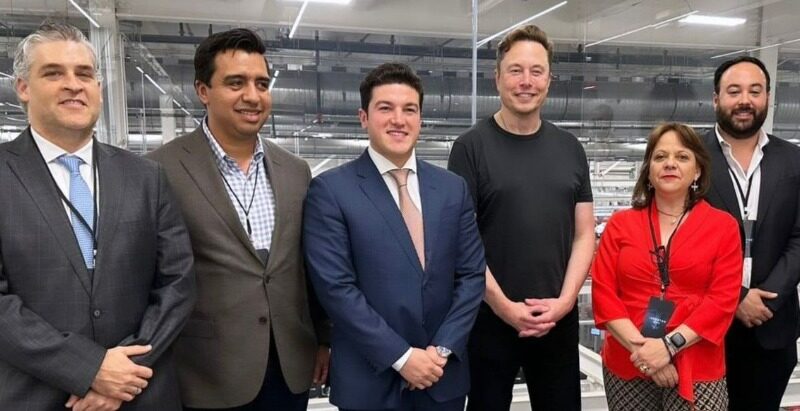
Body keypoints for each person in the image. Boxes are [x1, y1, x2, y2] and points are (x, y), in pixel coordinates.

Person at [0, 22, 195, 411]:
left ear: (99, 89)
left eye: (84, 74)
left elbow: (177, 282)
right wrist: (89, 369)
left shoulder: (146, 177)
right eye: (54, 73)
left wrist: (124, 373)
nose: (73, 85)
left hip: (140, 392)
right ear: (23, 87)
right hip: (37, 394)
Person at [147, 28, 329, 411]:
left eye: (261, 83)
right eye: (236, 83)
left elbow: (306, 268)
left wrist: (323, 339)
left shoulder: (296, 171)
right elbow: (148, 276)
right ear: (203, 91)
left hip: (289, 368)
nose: (253, 96)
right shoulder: (160, 169)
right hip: (207, 373)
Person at [303, 62, 485, 411]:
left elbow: (471, 275)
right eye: (385, 108)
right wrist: (402, 357)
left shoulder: (452, 189)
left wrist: (441, 350)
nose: (398, 120)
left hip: (441, 378)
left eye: (409, 109)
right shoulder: (331, 190)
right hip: (370, 382)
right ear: (363, 117)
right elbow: (336, 288)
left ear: (420, 119)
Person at [447, 24, 595, 410]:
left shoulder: (570, 148)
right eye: (515, 70)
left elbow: (584, 234)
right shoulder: (469, 148)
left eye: (536, 71)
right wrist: (504, 307)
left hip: (556, 319)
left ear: (549, 80)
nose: (526, 81)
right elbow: (462, 241)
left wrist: (565, 302)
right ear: (497, 78)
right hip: (490, 318)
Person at [592, 123, 742, 410]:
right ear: (649, 170)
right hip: (628, 359)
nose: (670, 163)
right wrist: (646, 353)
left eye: (682, 157)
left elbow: (722, 300)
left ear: (697, 171)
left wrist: (668, 346)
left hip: (697, 360)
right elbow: (604, 293)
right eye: (660, 157)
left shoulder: (723, 227)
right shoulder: (620, 224)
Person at [701, 56, 800, 411]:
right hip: (703, 329)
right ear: (716, 99)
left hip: (772, 327)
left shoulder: (794, 160)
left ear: (768, 97)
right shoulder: (690, 158)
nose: (745, 100)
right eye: (734, 91)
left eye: (754, 91)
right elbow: (679, 239)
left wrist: (768, 298)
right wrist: (737, 296)